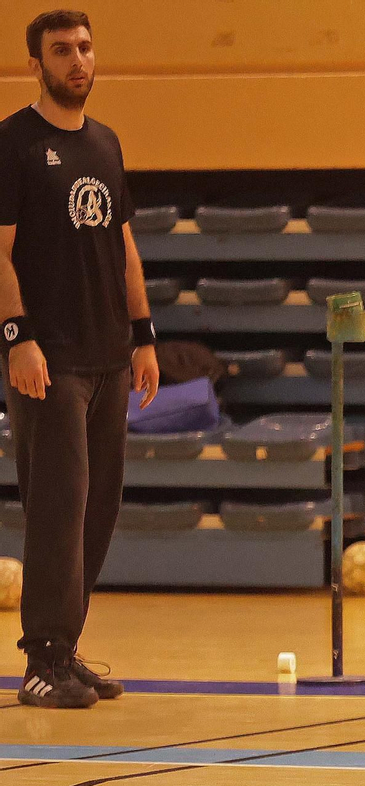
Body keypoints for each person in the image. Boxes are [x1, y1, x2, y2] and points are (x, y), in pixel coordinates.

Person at [0, 9, 159, 709]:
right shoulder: (13, 143)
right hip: (50, 357)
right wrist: (17, 335)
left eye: (86, 47)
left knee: (98, 508)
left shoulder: (106, 144)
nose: (78, 59)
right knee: (57, 506)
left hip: (107, 356)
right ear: (35, 63)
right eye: (62, 50)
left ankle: (65, 649)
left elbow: (123, 246)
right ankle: (40, 660)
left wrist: (145, 334)